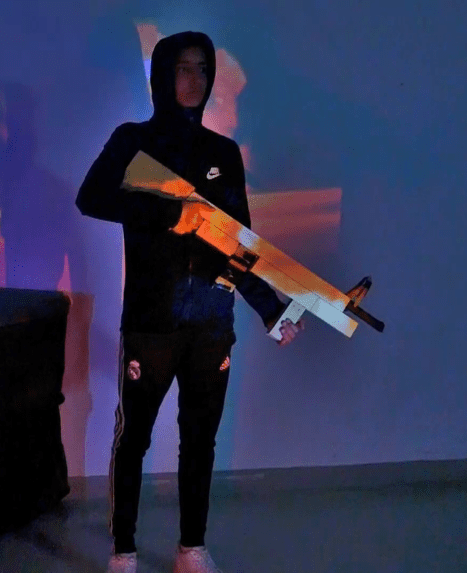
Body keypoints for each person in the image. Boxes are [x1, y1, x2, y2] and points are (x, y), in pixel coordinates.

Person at [75, 31, 303, 573]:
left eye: (202, 68)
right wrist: (168, 214)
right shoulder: (133, 141)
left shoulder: (223, 153)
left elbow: (238, 242)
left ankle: (191, 549)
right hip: (151, 322)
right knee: (134, 438)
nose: (194, 79)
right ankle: (124, 551)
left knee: (200, 440)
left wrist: (270, 309)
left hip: (211, 323)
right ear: (161, 75)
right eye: (183, 68)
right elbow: (91, 197)